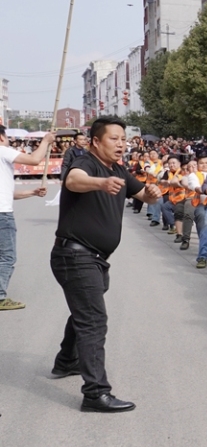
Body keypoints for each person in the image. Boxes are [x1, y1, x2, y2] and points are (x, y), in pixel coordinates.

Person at [49, 116, 161, 412]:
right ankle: (95, 393)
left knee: (85, 312)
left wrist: (151, 195)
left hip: (95, 259)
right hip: (76, 256)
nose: (121, 144)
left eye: (123, 139)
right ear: (96, 141)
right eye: (114, 138)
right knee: (93, 320)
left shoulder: (119, 169)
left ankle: (67, 360)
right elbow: (73, 180)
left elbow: (142, 195)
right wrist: (101, 183)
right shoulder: (86, 163)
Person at [0, 127, 53, 310]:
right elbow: (34, 160)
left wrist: (32, 192)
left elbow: (6, 194)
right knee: (7, 257)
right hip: (2, 215)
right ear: (1, 137)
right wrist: (46, 141)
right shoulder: (2, 150)